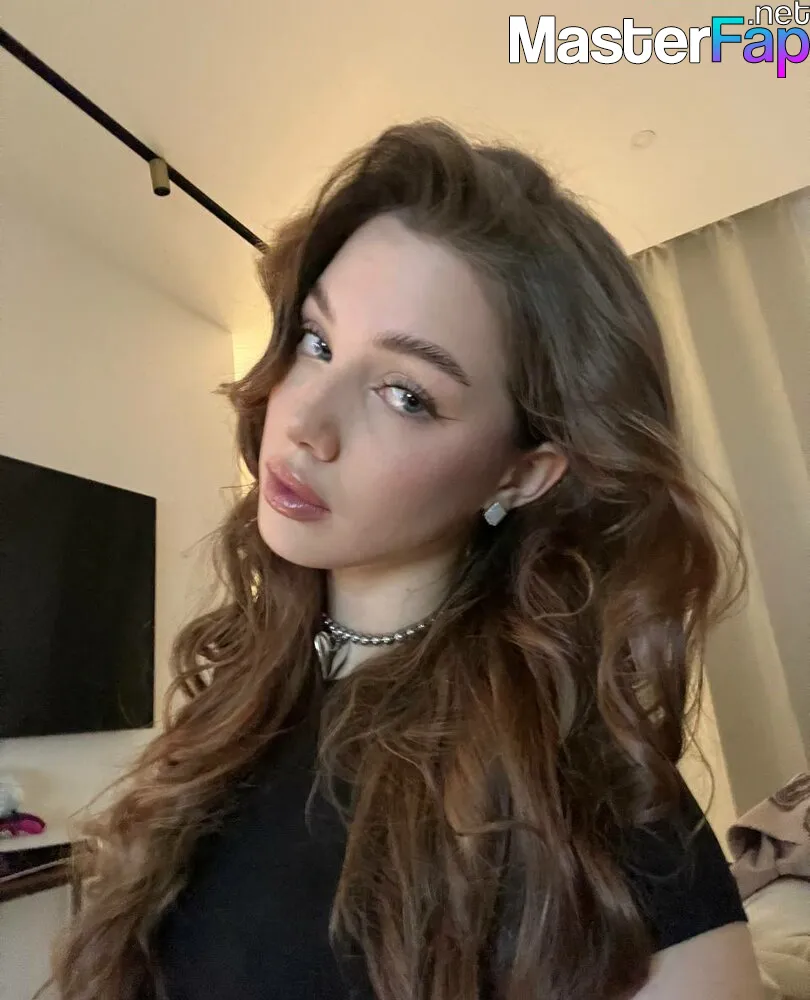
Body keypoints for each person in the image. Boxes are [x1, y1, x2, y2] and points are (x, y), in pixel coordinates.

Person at [50, 120, 764, 1000]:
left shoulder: (581, 799)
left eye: (405, 394)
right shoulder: (241, 699)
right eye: (316, 342)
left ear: (521, 474)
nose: (306, 422)